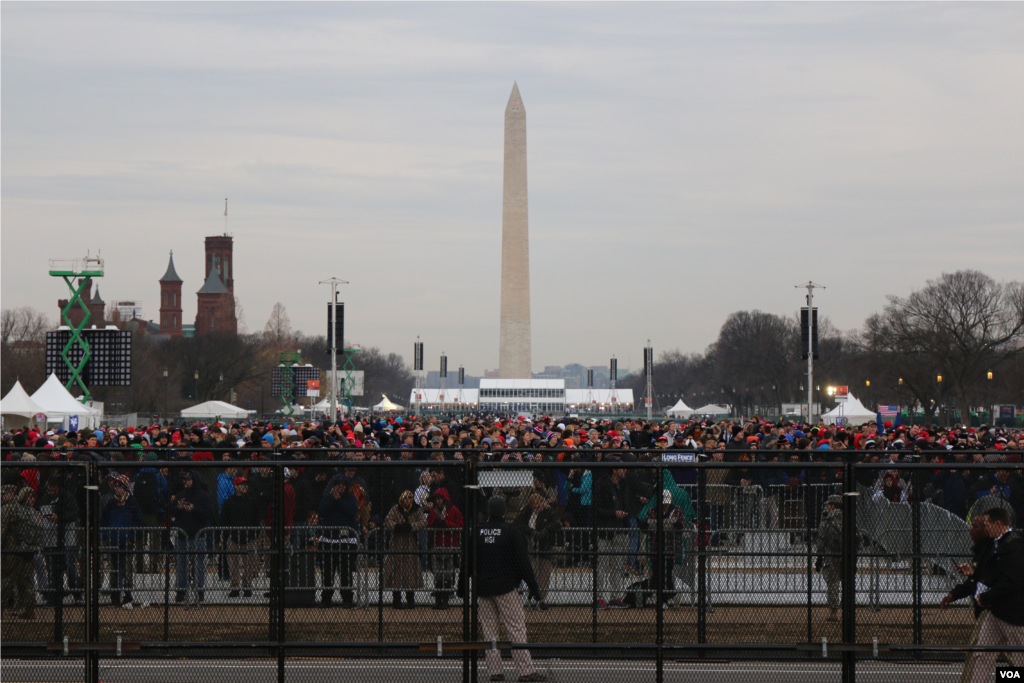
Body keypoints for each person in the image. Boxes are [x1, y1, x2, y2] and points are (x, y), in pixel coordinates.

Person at [461, 496, 546, 682]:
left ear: (488, 512)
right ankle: (525, 671)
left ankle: (495, 671)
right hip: (506, 587)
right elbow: (524, 564)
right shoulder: (511, 532)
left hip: (483, 588)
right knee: (516, 628)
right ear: (504, 512)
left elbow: (466, 562)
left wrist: (461, 587)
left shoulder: (477, 532)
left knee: (490, 631)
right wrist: (534, 588)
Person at [940, 513, 1000, 683]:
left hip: (993, 609)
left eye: (976, 527)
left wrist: (975, 574)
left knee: (978, 650)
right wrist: (953, 595)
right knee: (989, 652)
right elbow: (973, 582)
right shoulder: (981, 551)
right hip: (988, 609)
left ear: (987, 530)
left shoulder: (993, 551)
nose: (971, 530)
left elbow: (990, 578)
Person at [968, 506, 1024, 683]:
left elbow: (1010, 582)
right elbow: (991, 573)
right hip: (996, 612)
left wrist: (986, 597)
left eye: (987, 524)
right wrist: (973, 572)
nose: (985, 528)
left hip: (1013, 615)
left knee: (1019, 661)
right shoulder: (997, 543)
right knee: (982, 655)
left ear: (998, 523)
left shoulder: (1013, 546)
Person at [0, 487, 46, 619]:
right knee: (25, 581)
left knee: (5, 580)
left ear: (12, 494)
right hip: (26, 549)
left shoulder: (6, 509)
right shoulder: (28, 510)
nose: (2, 496)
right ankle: (29, 609)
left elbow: (1, 532)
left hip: (10, 550)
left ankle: (0, 609)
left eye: (4, 494)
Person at [170, 471, 214, 603]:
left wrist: (194, 510)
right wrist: (178, 508)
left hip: (197, 535)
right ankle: (181, 591)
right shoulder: (180, 495)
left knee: (199, 566)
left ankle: (199, 591)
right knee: (181, 566)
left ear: (194, 480)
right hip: (182, 536)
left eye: (189, 480)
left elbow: (208, 514)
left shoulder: (203, 496)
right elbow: (170, 511)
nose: (186, 482)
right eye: (184, 480)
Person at [100, 474, 144, 608]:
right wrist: (106, 536)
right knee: (114, 572)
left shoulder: (132, 503)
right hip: (113, 542)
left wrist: (133, 538)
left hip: (126, 542)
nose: (116, 490)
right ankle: (114, 598)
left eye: (119, 487)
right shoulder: (111, 503)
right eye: (115, 487)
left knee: (127, 571)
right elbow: (104, 521)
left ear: (125, 488)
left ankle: (127, 597)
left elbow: (140, 523)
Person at [513, 492, 561, 611]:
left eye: (539, 502)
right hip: (531, 547)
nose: (538, 505)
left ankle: (541, 599)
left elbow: (557, 523)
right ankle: (532, 597)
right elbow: (518, 524)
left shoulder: (548, 511)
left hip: (544, 546)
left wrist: (546, 530)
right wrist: (531, 532)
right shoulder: (528, 512)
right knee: (532, 572)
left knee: (544, 574)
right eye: (535, 504)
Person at [317, 475, 360, 608]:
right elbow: (321, 511)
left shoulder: (350, 498)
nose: (340, 487)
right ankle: (326, 599)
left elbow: (352, 512)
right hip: (329, 541)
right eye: (338, 485)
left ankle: (347, 599)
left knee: (345, 572)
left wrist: (340, 500)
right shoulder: (328, 498)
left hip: (346, 541)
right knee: (327, 572)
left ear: (346, 487)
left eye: (343, 485)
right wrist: (333, 500)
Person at [218, 477, 263, 598]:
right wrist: (226, 537)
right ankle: (235, 586)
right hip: (233, 537)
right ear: (235, 486)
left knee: (249, 564)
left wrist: (254, 536)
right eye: (241, 485)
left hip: (249, 538)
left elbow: (256, 520)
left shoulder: (252, 501)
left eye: (245, 485)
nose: (245, 487)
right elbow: (224, 521)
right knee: (233, 565)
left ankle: (247, 585)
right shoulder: (229, 502)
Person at [593, 467, 631, 609]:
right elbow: (597, 510)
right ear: (615, 470)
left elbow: (628, 505)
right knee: (602, 565)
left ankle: (615, 597)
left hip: (620, 530)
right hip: (606, 531)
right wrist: (613, 513)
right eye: (622, 469)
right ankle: (600, 598)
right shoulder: (603, 485)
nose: (625, 471)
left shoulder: (623, 486)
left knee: (618, 566)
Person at [382, 490, 427, 610]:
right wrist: (397, 527)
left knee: (410, 571)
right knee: (396, 571)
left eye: (409, 498)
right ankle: (396, 600)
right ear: (401, 499)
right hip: (397, 544)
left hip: (410, 544)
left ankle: (410, 600)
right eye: (405, 498)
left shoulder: (416, 509)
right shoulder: (396, 509)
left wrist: (410, 527)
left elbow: (424, 522)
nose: (407, 500)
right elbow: (387, 521)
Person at [424, 488, 463, 610]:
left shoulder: (454, 510)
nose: (439, 501)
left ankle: (445, 600)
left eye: (441, 499)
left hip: (450, 547)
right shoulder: (433, 513)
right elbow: (429, 527)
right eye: (437, 499)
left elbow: (461, 525)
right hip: (437, 546)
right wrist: (436, 523)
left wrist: (446, 523)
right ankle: (438, 600)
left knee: (447, 574)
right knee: (438, 575)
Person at [814, 494, 843, 621]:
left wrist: (819, 559)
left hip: (831, 555)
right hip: (846, 555)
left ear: (832, 506)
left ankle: (833, 613)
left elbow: (821, 541)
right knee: (847, 584)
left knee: (832, 584)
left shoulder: (827, 520)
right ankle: (847, 610)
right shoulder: (848, 519)